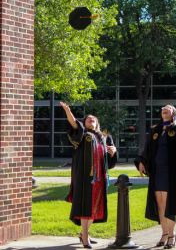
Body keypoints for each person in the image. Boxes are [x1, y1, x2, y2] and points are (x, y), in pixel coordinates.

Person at [134, 105, 176, 249]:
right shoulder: (156, 130)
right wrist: (141, 162)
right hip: (157, 171)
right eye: (163, 108)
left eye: (168, 108)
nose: (164, 109)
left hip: (171, 171)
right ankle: (164, 233)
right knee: (160, 203)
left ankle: (172, 235)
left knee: (170, 203)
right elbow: (147, 148)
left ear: (173, 113)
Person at [60, 102, 117, 248]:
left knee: (95, 207)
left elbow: (110, 160)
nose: (91, 120)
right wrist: (68, 111)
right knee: (86, 206)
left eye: (93, 119)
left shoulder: (104, 137)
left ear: (97, 123)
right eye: (88, 119)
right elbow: (74, 124)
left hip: (100, 178)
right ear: (85, 123)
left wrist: (113, 152)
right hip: (85, 178)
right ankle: (85, 237)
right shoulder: (84, 134)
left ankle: (84, 233)